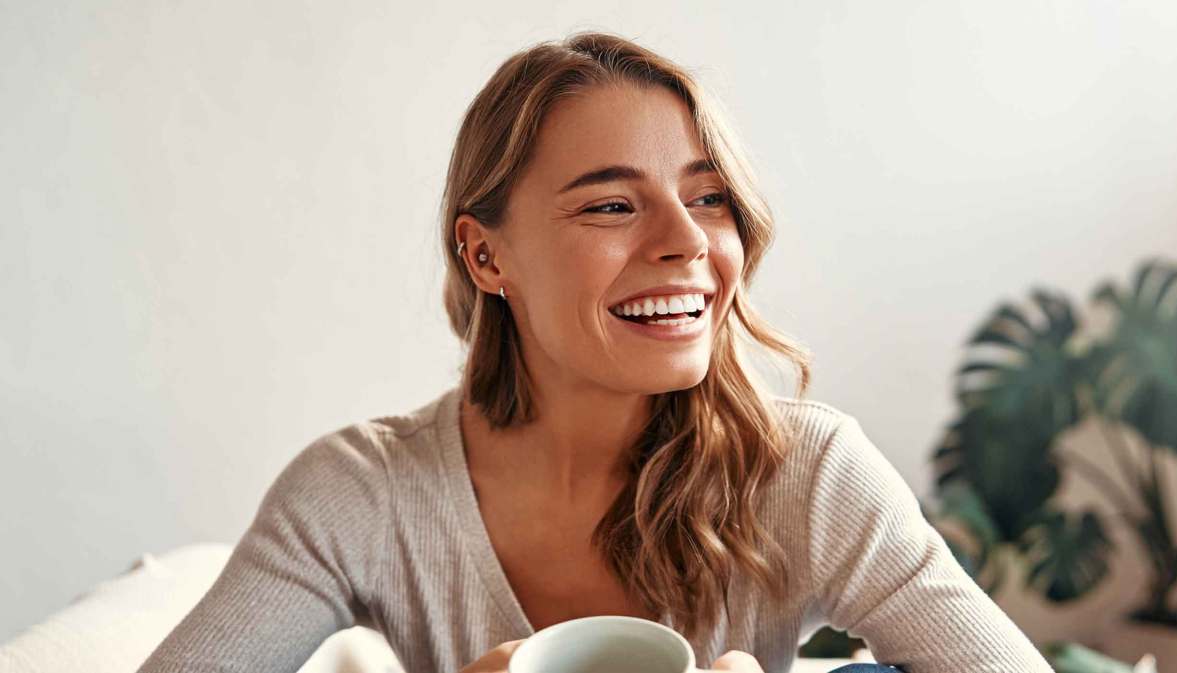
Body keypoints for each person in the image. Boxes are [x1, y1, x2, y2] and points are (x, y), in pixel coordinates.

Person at [136, 31, 1055, 673]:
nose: (686, 242)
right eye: (612, 205)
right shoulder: (362, 494)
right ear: (486, 256)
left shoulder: (808, 473)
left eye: (708, 197)